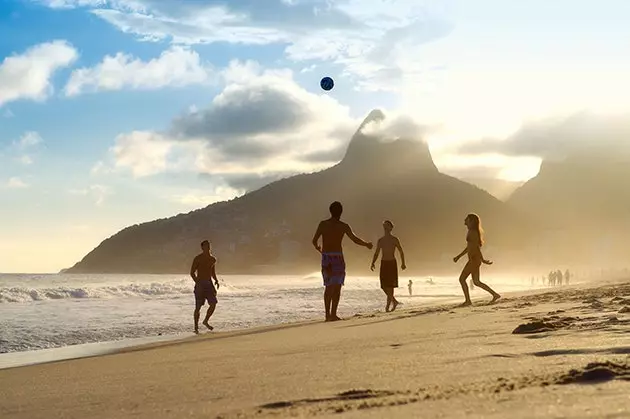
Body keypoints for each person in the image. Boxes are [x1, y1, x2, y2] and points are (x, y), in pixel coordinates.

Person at [312, 201, 373, 321]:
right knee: (337, 286)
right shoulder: (343, 226)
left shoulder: (323, 224)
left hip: (326, 258)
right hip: (338, 258)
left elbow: (314, 241)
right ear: (341, 212)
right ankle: (333, 314)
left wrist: (319, 249)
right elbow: (355, 239)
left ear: (330, 211)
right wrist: (366, 244)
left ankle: (327, 315)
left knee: (328, 286)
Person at [453, 213, 500, 306]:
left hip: (474, 260)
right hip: (474, 260)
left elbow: (477, 248)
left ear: (471, 221)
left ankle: (468, 301)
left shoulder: (473, 232)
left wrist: (482, 260)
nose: (464, 220)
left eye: (466, 219)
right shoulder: (471, 231)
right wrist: (459, 256)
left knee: (462, 279)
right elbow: (469, 247)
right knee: (476, 282)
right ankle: (495, 294)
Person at [371, 220, 407, 312]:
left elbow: (401, 251)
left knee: (390, 286)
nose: (385, 228)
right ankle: (394, 301)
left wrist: (403, 263)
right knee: (383, 286)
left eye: (387, 226)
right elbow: (377, 252)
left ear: (391, 228)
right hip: (384, 263)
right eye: (384, 226)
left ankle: (387, 306)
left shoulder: (394, 239)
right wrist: (373, 262)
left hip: (391, 262)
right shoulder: (381, 240)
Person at [190, 240, 220, 334]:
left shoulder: (213, 259)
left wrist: (216, 280)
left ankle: (206, 321)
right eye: (206, 246)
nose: (208, 248)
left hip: (209, 284)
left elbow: (212, 272)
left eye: (209, 246)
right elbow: (192, 272)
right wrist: (197, 282)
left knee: (213, 303)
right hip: (200, 284)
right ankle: (196, 327)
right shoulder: (198, 258)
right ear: (202, 248)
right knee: (198, 307)